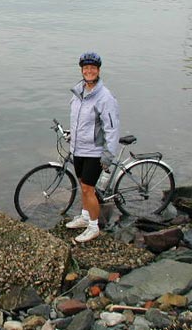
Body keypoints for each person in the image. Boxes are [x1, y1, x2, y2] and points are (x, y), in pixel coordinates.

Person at [65, 52, 120, 243]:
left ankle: (93, 227)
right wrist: (71, 135)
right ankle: (85, 217)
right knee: (83, 186)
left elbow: (111, 128)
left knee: (89, 189)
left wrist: (108, 155)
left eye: (93, 68)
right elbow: (79, 122)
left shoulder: (105, 97)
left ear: (98, 71)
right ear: (82, 70)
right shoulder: (78, 93)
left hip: (94, 151)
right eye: (86, 68)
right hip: (78, 149)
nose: (89, 71)